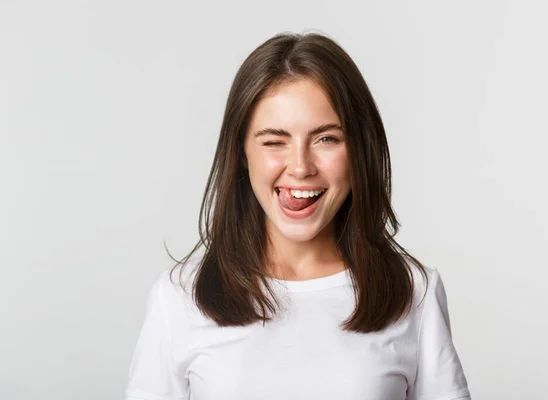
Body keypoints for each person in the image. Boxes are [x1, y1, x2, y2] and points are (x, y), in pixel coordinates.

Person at [125, 32, 471, 400]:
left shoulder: (413, 292)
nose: (301, 167)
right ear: (242, 153)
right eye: (274, 141)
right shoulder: (180, 297)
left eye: (327, 139)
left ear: (359, 151)